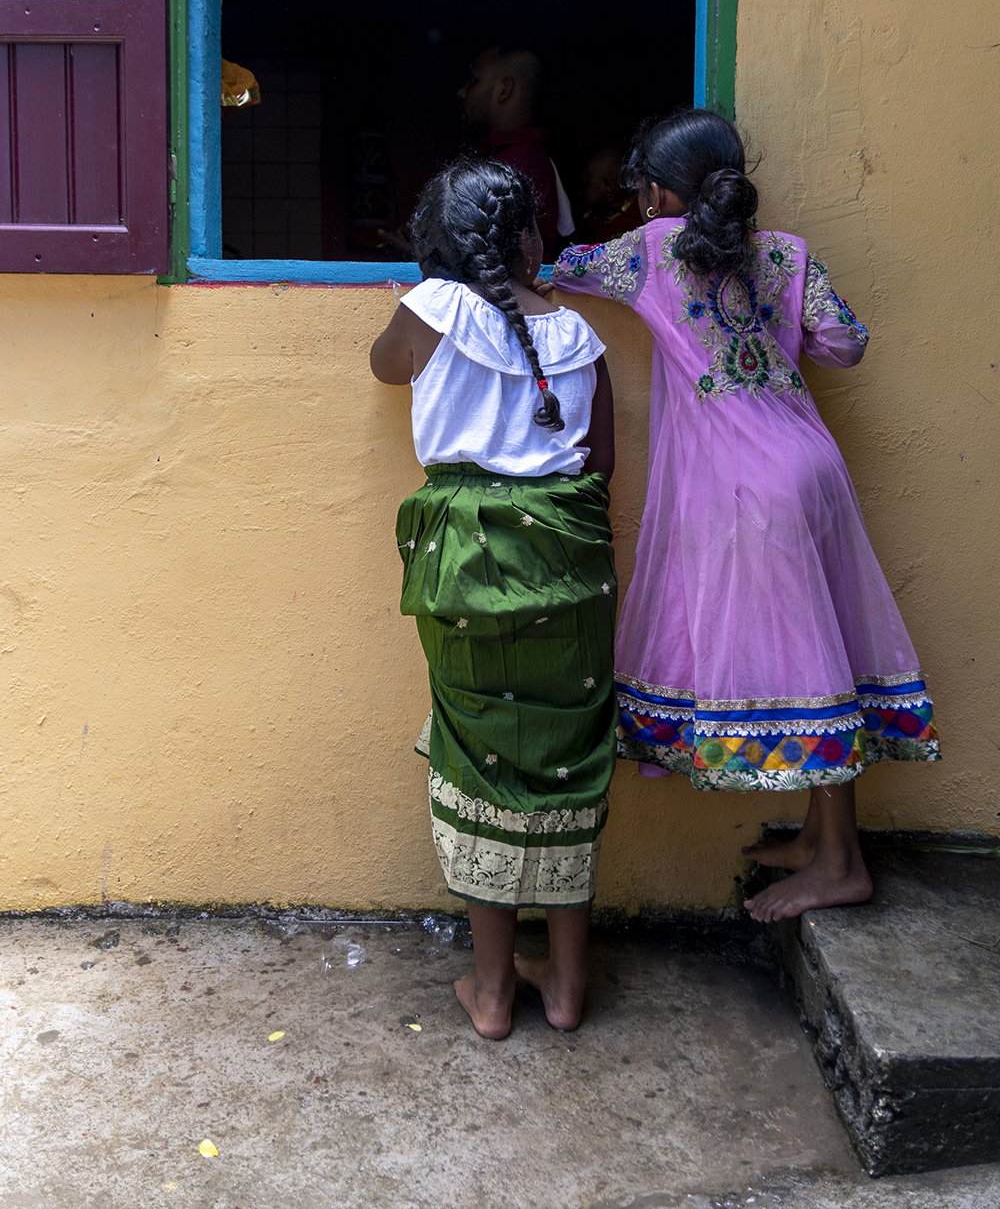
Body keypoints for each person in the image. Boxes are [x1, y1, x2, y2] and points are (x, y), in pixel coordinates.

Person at [548, 109, 940, 924]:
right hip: (812, 467)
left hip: (746, 488)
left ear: (657, 193)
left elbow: (565, 267)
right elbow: (844, 344)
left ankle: (841, 864)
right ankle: (819, 839)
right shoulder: (788, 253)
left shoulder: (651, 250)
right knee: (823, 650)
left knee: (807, 667)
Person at [370, 157, 617, 1038]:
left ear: (437, 247)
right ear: (529, 241)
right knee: (570, 753)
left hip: (467, 565)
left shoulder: (430, 309)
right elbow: (599, 466)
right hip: (571, 564)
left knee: (479, 753)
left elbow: (384, 368)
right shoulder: (580, 336)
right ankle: (567, 985)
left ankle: (491, 990)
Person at [457, 41, 575, 259]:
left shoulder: (520, 167)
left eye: (473, 81)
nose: (461, 92)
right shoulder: (511, 157)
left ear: (504, 89)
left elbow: (492, 261)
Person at [575, 146, 643, 243]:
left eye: (586, 184)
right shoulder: (590, 216)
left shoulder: (632, 222)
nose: (579, 192)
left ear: (608, 186)